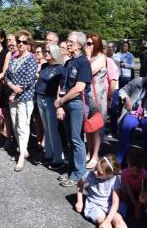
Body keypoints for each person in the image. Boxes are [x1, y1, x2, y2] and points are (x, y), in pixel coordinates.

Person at [54, 31, 92, 187]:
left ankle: (78, 174)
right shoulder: (69, 62)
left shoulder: (83, 62)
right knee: (69, 139)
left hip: (77, 104)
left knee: (77, 140)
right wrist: (60, 104)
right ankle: (72, 168)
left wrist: (61, 100)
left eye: (71, 42)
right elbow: (62, 85)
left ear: (79, 45)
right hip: (66, 104)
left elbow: (79, 87)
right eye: (67, 41)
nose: (67, 44)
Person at [117, 62, 147, 170]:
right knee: (127, 126)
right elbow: (123, 90)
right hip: (133, 111)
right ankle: (121, 162)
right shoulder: (138, 81)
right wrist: (126, 98)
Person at [5, 29, 38, 172]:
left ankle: (21, 156)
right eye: (19, 41)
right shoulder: (13, 58)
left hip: (25, 98)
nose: (21, 44)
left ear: (29, 44)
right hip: (13, 96)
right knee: (14, 124)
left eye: (24, 42)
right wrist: (12, 87)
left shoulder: (31, 59)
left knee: (23, 126)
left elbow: (29, 79)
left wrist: (15, 92)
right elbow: (6, 76)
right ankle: (23, 149)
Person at [75, 154, 127, 228]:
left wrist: (108, 220)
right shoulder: (90, 175)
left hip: (109, 204)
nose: (95, 172)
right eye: (96, 168)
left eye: (100, 173)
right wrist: (79, 201)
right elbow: (80, 183)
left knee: (118, 220)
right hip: (94, 205)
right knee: (103, 222)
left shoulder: (114, 180)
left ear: (110, 175)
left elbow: (115, 203)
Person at [36, 44, 64, 169]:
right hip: (40, 99)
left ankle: (58, 159)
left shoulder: (60, 68)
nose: (45, 53)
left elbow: (61, 87)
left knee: (53, 130)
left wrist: (59, 104)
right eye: (44, 51)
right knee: (46, 129)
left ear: (54, 53)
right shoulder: (44, 65)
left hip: (51, 101)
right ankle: (49, 155)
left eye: (48, 51)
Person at [85, 33, 108, 169]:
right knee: (87, 126)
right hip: (86, 96)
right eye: (86, 43)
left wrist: (87, 57)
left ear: (96, 44)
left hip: (97, 97)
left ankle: (95, 155)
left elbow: (88, 72)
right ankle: (89, 152)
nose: (87, 46)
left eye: (90, 43)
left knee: (97, 127)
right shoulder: (90, 57)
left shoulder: (101, 58)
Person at [119, 148, 147, 220]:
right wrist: (135, 205)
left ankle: (144, 208)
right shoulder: (124, 173)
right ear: (128, 164)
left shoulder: (145, 174)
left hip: (140, 191)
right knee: (122, 189)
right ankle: (128, 205)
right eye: (132, 170)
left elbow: (143, 190)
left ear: (142, 166)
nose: (135, 172)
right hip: (131, 191)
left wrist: (139, 206)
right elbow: (129, 190)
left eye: (138, 170)